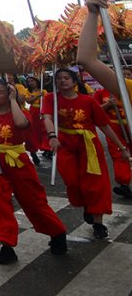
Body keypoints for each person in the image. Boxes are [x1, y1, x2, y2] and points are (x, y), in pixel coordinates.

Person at [0, 80, 67, 264]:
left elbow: (21, 124)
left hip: (17, 160)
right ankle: (6, 245)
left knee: (33, 201)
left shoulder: (19, 112)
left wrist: (14, 100)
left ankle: (57, 232)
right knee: (0, 203)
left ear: (9, 96)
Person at [42, 67, 130, 238]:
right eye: (59, 78)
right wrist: (52, 135)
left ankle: (98, 223)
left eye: (67, 78)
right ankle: (86, 206)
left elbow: (104, 125)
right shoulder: (51, 99)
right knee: (72, 181)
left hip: (89, 146)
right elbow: (47, 117)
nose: (63, 81)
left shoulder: (88, 101)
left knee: (96, 184)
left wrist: (121, 147)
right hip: (65, 146)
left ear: (75, 82)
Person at [92, 78, 132, 198]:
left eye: (128, 75)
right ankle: (124, 182)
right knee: (119, 153)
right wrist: (108, 104)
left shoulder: (129, 90)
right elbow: (94, 110)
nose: (125, 78)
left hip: (130, 124)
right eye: (123, 75)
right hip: (114, 126)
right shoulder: (100, 93)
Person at [24, 76, 46, 166]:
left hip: (42, 112)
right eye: (29, 81)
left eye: (32, 81)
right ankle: (33, 151)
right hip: (33, 112)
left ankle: (46, 148)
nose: (30, 83)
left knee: (43, 131)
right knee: (32, 132)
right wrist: (38, 95)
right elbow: (28, 101)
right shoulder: (27, 91)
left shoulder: (43, 91)